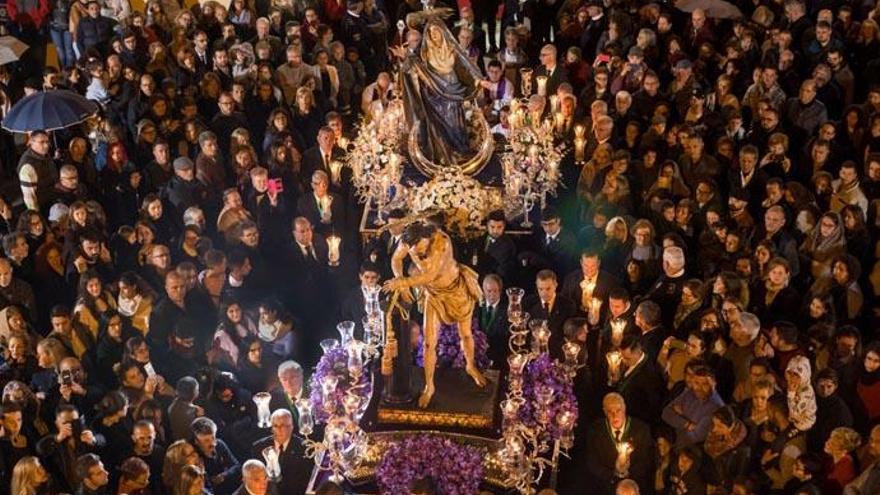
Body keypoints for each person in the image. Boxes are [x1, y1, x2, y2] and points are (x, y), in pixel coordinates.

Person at [384, 222, 487, 407]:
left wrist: (403, 283)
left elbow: (429, 275)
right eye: (415, 250)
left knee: (465, 333)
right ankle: (429, 386)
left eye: (422, 247)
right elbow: (396, 260)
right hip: (433, 295)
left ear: (428, 237)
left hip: (456, 291)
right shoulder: (408, 241)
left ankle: (470, 365)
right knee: (429, 342)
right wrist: (399, 277)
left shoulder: (442, 242)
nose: (420, 252)